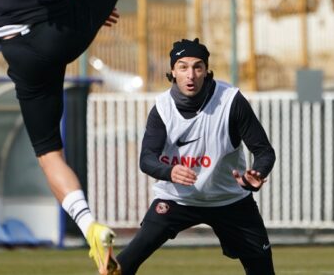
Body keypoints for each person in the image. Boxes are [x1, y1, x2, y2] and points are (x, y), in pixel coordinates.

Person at [0, 0, 239, 274]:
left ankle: (88, 227)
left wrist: (84, 10)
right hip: (52, 34)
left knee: (49, 155)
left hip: (18, 53)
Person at [115, 38, 276, 275]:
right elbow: (147, 159)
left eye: (197, 67)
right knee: (124, 263)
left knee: (262, 271)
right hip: (177, 199)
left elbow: (264, 152)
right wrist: (170, 172)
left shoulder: (231, 101)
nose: (190, 74)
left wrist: (257, 173)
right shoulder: (162, 108)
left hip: (230, 200)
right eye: (183, 67)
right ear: (173, 71)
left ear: (206, 71)